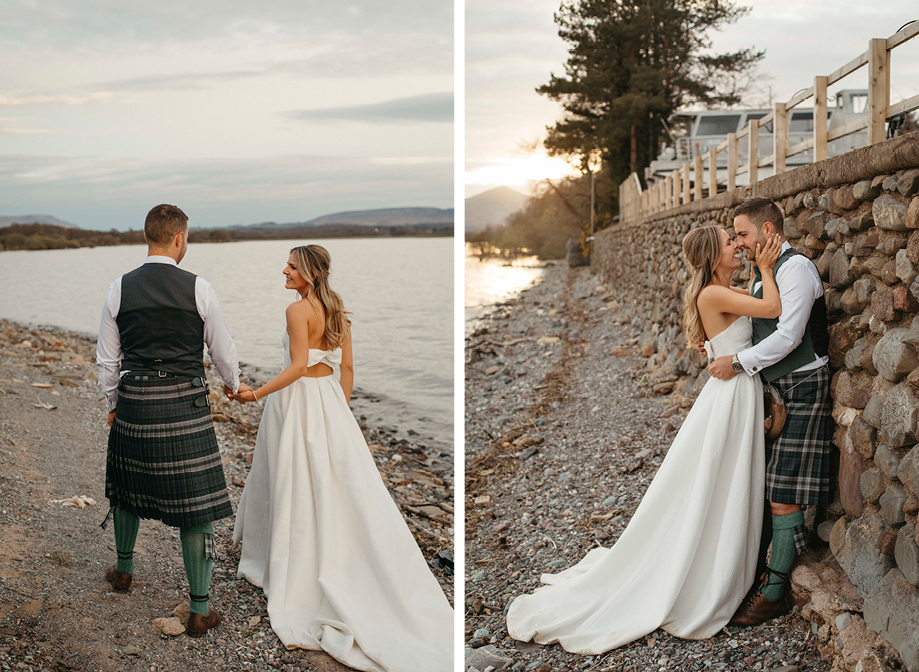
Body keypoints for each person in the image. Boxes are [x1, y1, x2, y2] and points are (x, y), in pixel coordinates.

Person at [505, 226, 783, 654]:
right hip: (730, 395)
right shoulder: (712, 293)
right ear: (712, 255)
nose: (737, 246)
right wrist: (767, 265)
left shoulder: (726, 288)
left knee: (721, 479)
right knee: (718, 480)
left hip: (737, 390)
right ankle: (707, 569)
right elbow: (772, 306)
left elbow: (758, 310)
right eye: (730, 242)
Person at [231, 245, 453, 672]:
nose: (285, 271)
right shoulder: (338, 311)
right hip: (330, 401)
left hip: (296, 404)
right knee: (334, 482)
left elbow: (297, 366)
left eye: (292, 267)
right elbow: (346, 368)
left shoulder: (297, 312)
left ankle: (291, 557)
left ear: (310, 273)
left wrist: (255, 393)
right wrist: (339, 411)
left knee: (292, 476)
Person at [96, 203, 249, 636]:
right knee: (196, 505)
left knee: (126, 488)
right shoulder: (199, 287)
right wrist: (233, 385)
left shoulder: (118, 288)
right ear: (180, 237)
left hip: (136, 403)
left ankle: (123, 572)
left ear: (148, 236)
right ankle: (199, 610)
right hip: (185, 404)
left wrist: (112, 404)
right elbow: (222, 349)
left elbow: (107, 361)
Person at [708, 197, 832, 626]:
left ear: (768, 229)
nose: (739, 243)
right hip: (778, 390)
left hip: (804, 385)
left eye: (742, 234)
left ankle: (774, 592)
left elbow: (789, 337)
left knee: (782, 491)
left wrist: (738, 363)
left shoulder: (795, 269)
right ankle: (764, 577)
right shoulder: (767, 271)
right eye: (735, 237)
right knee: (769, 486)